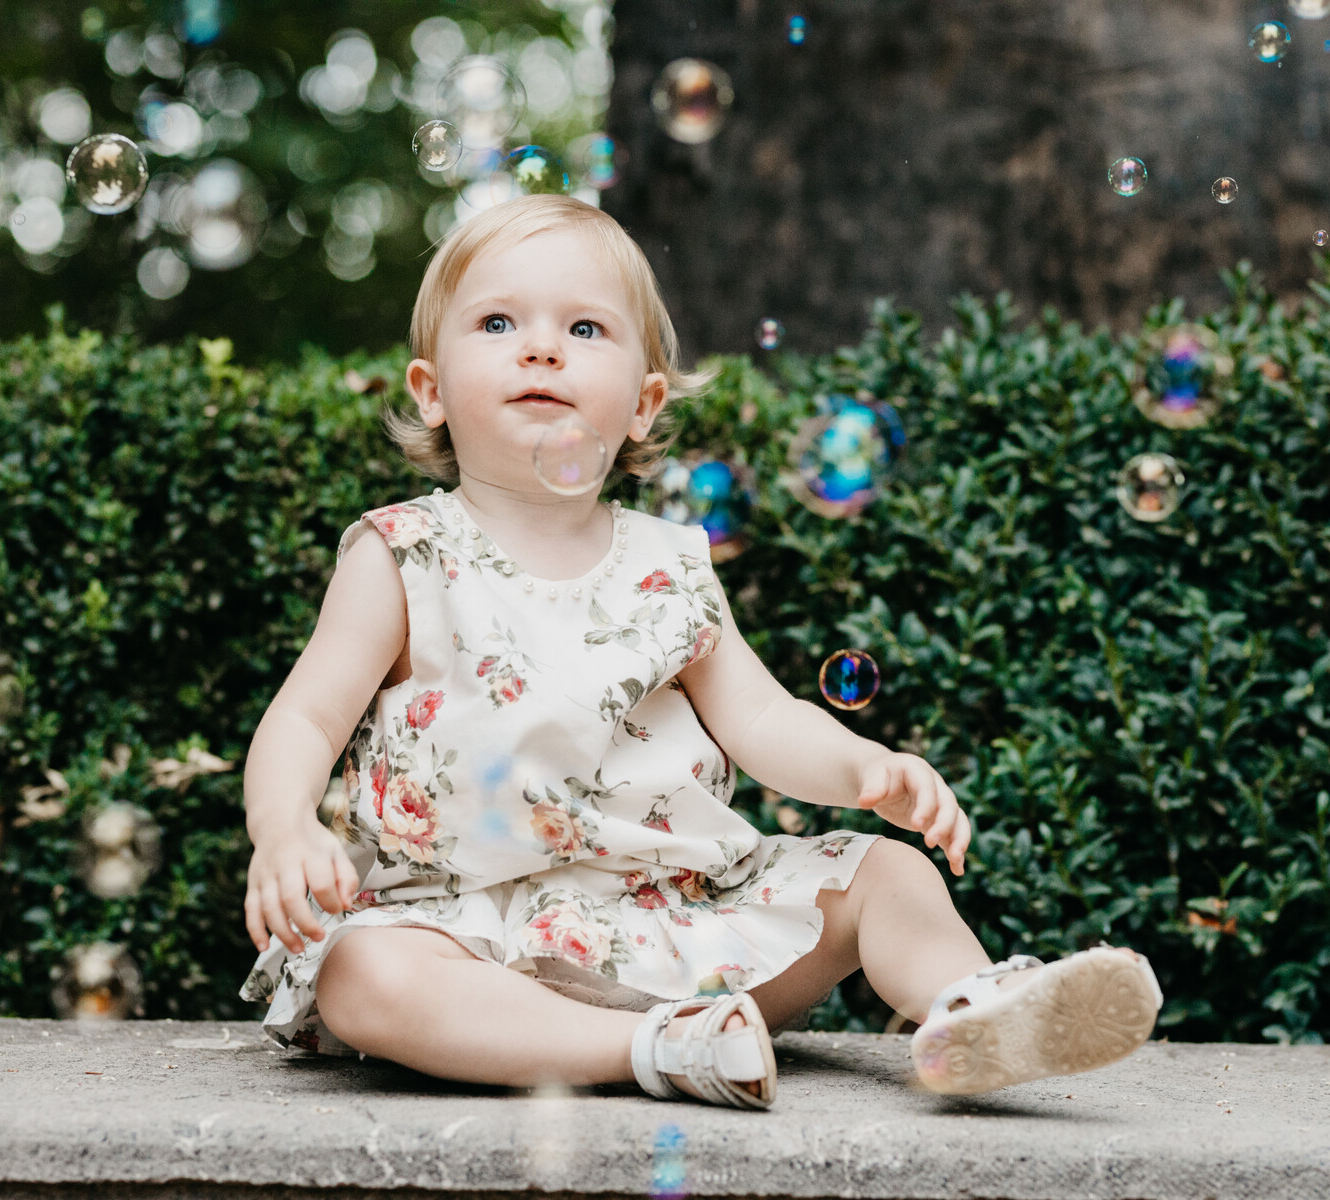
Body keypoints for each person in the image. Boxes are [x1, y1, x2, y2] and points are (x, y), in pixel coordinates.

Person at [236, 193, 1162, 1109]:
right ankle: (652, 1047)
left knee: (889, 872)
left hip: (676, 921)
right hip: (467, 931)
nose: (543, 346)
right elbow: (306, 716)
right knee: (364, 975)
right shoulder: (402, 554)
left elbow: (761, 719)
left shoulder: (667, 566)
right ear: (430, 390)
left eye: (587, 328)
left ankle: (978, 1013)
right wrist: (284, 828)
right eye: (499, 321)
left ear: (642, 405)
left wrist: (865, 769)